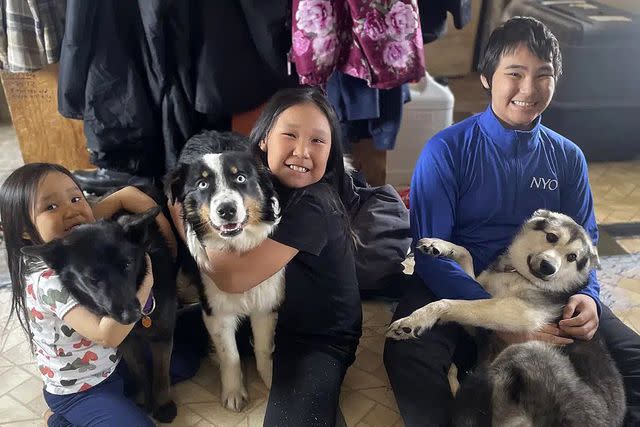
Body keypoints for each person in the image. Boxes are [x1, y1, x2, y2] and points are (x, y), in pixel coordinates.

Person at [383, 17, 640, 426]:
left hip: (544, 291)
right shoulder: (446, 151)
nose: (529, 89)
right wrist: (501, 323)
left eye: (544, 75)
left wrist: (588, 295)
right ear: (487, 78)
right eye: (514, 74)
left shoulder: (567, 157)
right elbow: (432, 255)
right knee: (408, 354)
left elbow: (585, 239)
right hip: (459, 280)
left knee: (633, 359)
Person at [169, 87, 362, 426]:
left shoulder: (313, 204)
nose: (301, 151)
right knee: (172, 346)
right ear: (262, 142)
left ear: (332, 152)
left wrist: (181, 218)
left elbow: (231, 278)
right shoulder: (262, 183)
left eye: (318, 141)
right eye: (290, 134)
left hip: (316, 336)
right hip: (273, 313)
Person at [0, 163, 177, 426]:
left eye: (75, 198)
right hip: (81, 390)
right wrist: (146, 282)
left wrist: (124, 198)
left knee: (184, 361)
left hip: (113, 368)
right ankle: (61, 420)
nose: (71, 211)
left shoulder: (78, 240)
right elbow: (108, 335)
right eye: (50, 207)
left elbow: (97, 213)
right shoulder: (50, 279)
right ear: (24, 230)